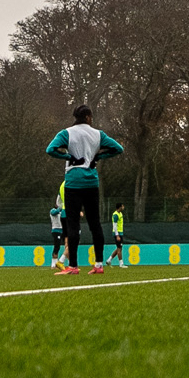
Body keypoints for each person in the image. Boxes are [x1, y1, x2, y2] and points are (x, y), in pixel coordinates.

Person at [45, 106, 124, 276]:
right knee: (95, 224)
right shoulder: (98, 134)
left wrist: (69, 157)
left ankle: (73, 266)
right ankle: (99, 265)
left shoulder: (66, 133)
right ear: (88, 117)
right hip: (91, 182)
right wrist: (98, 157)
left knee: (73, 225)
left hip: (73, 182)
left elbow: (50, 149)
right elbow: (118, 148)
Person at [48, 186, 67, 268]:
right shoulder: (53, 211)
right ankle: (53, 263)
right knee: (57, 246)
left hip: (62, 230)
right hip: (56, 230)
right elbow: (54, 213)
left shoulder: (62, 212)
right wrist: (60, 207)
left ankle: (65, 262)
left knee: (67, 245)